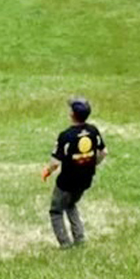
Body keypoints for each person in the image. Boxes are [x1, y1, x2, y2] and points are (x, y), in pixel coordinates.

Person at [41, 96, 107, 248]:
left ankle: (65, 244)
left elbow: (55, 162)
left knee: (56, 211)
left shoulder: (66, 136)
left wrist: (47, 171)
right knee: (71, 205)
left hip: (66, 182)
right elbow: (104, 152)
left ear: (72, 114)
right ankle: (80, 238)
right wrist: (91, 164)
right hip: (85, 179)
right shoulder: (93, 131)